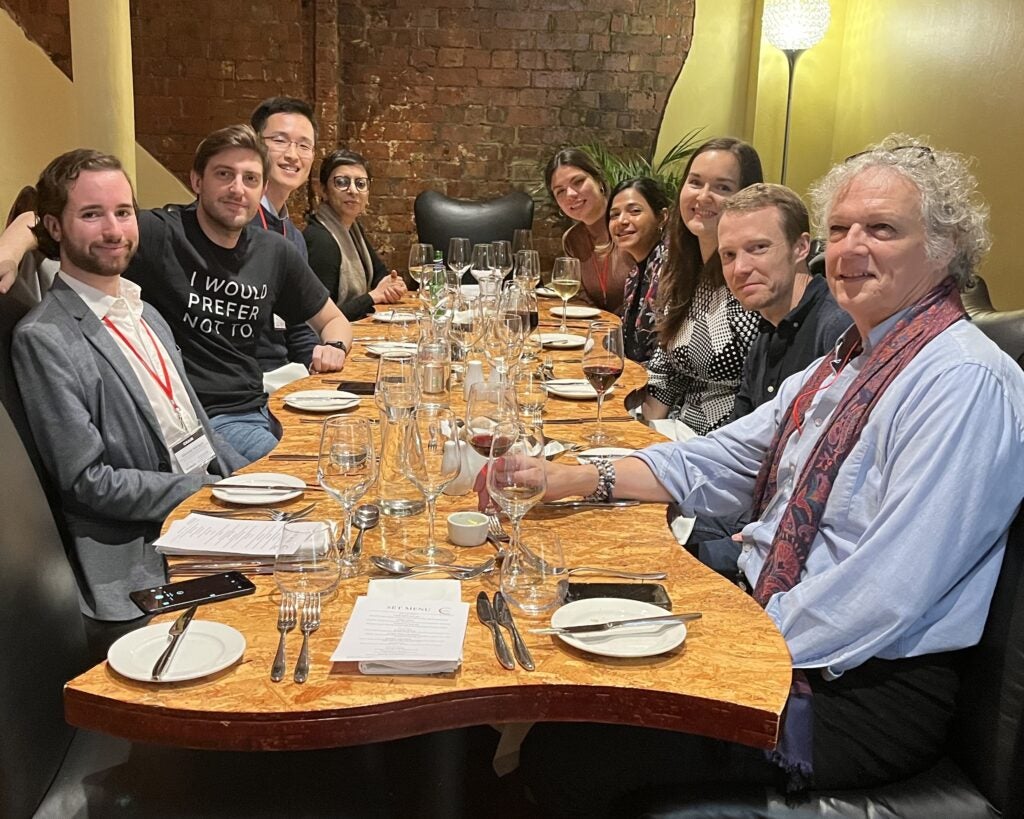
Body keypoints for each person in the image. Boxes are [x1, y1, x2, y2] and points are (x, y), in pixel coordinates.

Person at [511, 135, 1024, 815]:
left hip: (858, 688)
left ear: (945, 247)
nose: (850, 248)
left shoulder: (962, 381)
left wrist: (728, 643)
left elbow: (885, 591)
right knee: (563, 682)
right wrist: (567, 476)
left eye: (882, 229)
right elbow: (718, 459)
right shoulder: (842, 365)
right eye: (840, 229)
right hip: (778, 624)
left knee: (578, 751)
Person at [0, 125, 354, 464]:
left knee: (353, 448)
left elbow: (333, 321)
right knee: (320, 472)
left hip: (262, 405)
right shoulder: (159, 233)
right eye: (223, 175)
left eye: (250, 179)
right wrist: (9, 252)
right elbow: (69, 219)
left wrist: (334, 347)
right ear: (196, 180)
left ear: (261, 189)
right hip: (199, 419)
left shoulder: (274, 251)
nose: (237, 188)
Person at [11, 149, 243, 629]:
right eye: (91, 215)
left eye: (122, 212)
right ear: (54, 228)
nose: (114, 230)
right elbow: (87, 483)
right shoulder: (45, 338)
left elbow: (201, 434)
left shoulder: (146, 312)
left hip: (207, 512)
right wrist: (205, 492)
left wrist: (256, 487)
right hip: (143, 545)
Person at [687, 182, 850, 574]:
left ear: (801, 247)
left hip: (792, 545)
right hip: (750, 512)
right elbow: (733, 444)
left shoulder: (838, 329)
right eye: (729, 255)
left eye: (758, 248)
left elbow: (832, 476)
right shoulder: (766, 329)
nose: (740, 268)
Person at [643, 137, 764, 434]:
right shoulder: (684, 268)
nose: (704, 196)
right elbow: (667, 371)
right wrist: (640, 434)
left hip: (721, 447)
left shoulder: (751, 280)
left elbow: (760, 398)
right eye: (695, 182)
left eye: (723, 187)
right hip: (673, 435)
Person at [249, 96, 321, 379]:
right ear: (255, 145)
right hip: (248, 385)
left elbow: (298, 322)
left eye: (304, 145)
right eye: (280, 141)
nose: (293, 155)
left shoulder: (293, 235)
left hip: (286, 377)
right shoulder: (234, 227)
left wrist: (317, 364)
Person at [303, 148, 406, 320]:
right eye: (342, 182)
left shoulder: (352, 229)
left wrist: (391, 284)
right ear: (323, 190)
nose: (353, 190)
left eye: (360, 183)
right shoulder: (321, 240)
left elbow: (379, 274)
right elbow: (319, 319)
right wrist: (373, 297)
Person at [544, 149, 634, 314]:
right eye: (560, 191)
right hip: (599, 331)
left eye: (578, 182)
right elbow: (582, 301)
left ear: (599, 181)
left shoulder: (629, 226)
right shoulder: (572, 240)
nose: (570, 194)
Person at [607, 177, 669, 363]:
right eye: (614, 215)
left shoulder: (670, 267)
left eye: (635, 211)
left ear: (662, 217)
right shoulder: (635, 272)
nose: (622, 221)